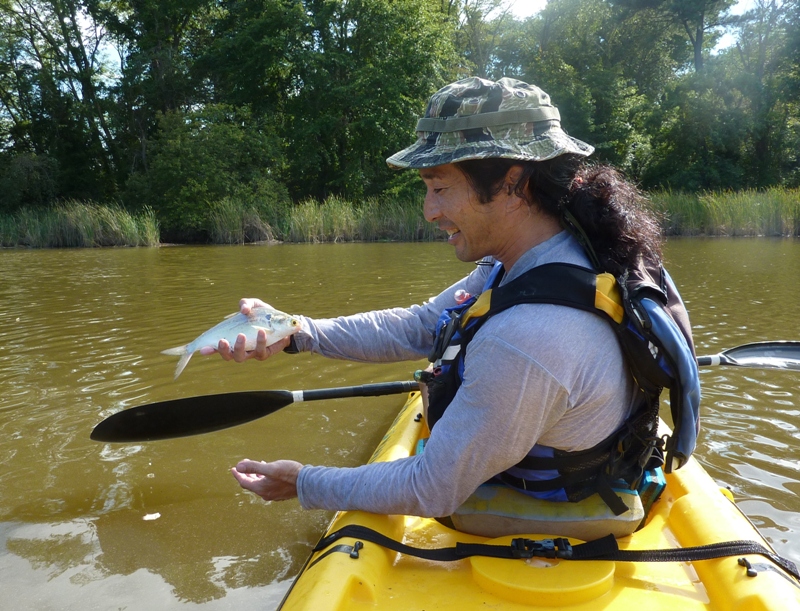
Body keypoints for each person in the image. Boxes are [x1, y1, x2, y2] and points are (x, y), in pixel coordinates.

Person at [213, 77, 674, 538]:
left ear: (514, 183)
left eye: (439, 188)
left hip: (558, 498)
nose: (429, 211)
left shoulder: (528, 336)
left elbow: (432, 487)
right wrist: (296, 331)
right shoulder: (542, 255)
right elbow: (423, 324)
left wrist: (303, 482)